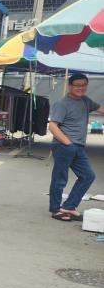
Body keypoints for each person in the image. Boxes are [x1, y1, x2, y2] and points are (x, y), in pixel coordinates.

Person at [47, 71, 99, 221]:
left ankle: (69, 206)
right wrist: (67, 143)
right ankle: (56, 209)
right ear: (70, 86)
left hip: (78, 147)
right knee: (60, 178)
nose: (81, 88)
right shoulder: (62, 104)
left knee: (88, 176)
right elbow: (52, 125)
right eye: (77, 85)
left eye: (84, 85)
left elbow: (100, 108)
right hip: (64, 146)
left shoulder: (85, 101)